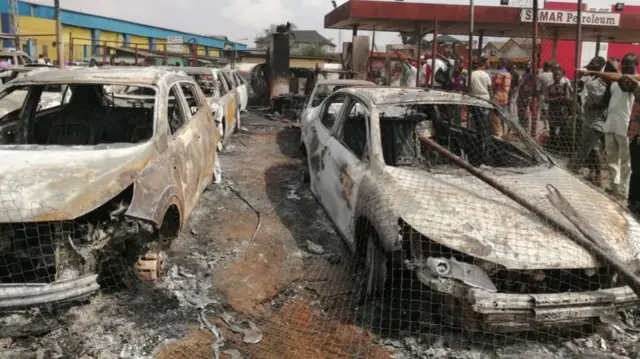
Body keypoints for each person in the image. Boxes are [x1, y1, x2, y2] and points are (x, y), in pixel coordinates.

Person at [577, 53, 639, 200]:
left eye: (628, 65)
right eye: (623, 65)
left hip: (626, 127)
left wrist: (609, 71)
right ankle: (615, 187)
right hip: (611, 124)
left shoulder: (634, 82)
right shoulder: (615, 82)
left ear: (636, 65)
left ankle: (624, 191)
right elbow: (605, 100)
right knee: (612, 160)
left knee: (626, 162)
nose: (625, 68)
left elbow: (626, 86)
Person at [572, 56, 608, 186]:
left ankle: (598, 175)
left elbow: (602, 101)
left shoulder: (602, 82)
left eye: (592, 69)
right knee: (592, 148)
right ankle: (593, 172)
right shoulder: (594, 80)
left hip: (596, 120)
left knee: (594, 148)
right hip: (589, 117)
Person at [546, 68, 572, 151]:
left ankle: (562, 147)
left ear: (562, 76)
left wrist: (555, 99)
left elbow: (567, 98)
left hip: (562, 110)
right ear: (553, 76)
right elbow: (546, 99)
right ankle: (552, 146)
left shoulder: (565, 86)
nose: (557, 76)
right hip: (553, 111)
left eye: (559, 75)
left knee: (563, 129)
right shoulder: (549, 86)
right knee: (552, 129)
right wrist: (558, 98)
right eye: (555, 74)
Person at [491, 58, 512, 137]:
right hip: (505, 97)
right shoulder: (509, 74)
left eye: (498, 63)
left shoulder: (499, 74)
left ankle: (498, 133)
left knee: (495, 115)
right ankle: (503, 132)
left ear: (501, 64)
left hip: (497, 97)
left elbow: (495, 85)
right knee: (502, 115)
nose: (497, 65)